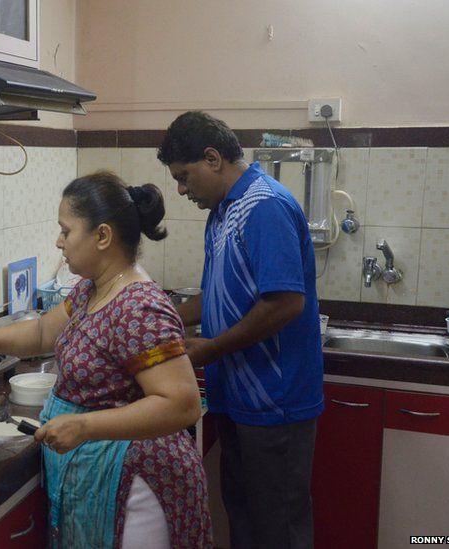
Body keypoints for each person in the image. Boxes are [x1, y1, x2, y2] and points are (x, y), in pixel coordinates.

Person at [0, 171, 212, 548]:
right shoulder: (92, 289)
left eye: (66, 231)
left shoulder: (140, 307)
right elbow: (41, 332)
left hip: (136, 485)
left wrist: (85, 426)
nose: (59, 242)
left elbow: (182, 404)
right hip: (101, 473)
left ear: (103, 236)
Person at [157, 111, 324, 549]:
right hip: (236, 396)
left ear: (212, 158)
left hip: (275, 400)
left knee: (278, 526)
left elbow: (286, 302)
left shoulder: (264, 205)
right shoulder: (223, 209)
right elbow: (216, 293)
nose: (180, 189)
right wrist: (157, 316)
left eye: (184, 176)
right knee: (244, 513)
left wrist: (212, 349)